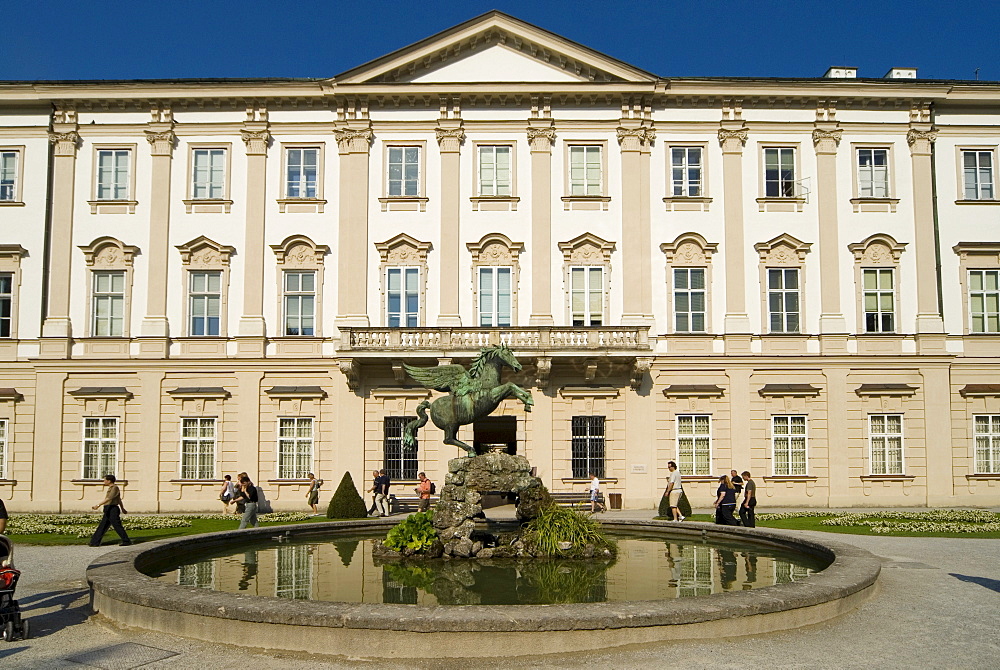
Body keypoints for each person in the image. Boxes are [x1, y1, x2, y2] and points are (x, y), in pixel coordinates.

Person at [88, 474, 132, 547]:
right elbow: (118, 499)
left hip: (112, 508)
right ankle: (94, 542)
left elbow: (109, 498)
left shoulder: (114, 488)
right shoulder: (111, 488)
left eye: (105, 480)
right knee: (103, 525)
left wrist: (98, 505)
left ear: (109, 481)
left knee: (116, 525)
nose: (104, 481)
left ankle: (126, 540)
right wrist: (122, 508)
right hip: (108, 508)